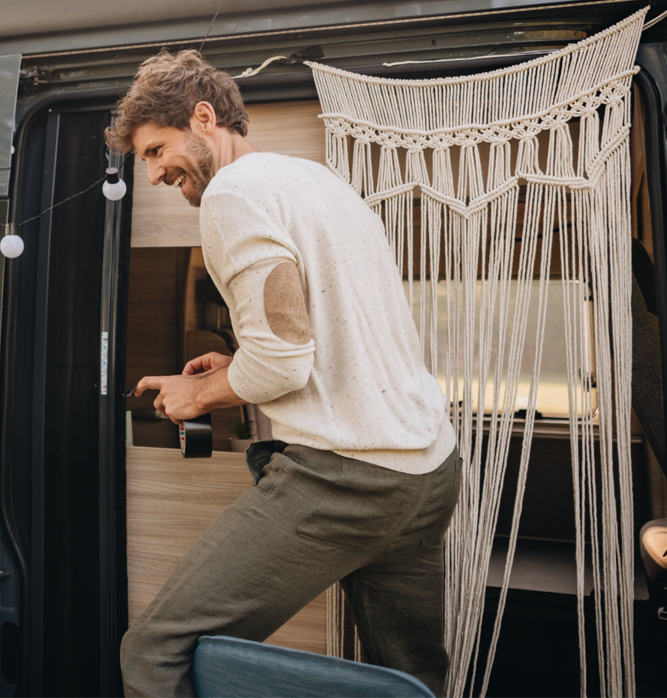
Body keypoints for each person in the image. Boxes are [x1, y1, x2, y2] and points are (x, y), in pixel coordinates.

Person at [113, 51, 459, 696]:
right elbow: (324, 329)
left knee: (155, 654)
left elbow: (281, 358)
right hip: (429, 471)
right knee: (410, 676)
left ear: (205, 117)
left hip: (350, 475)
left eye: (158, 150)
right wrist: (236, 361)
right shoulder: (316, 182)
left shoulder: (232, 195)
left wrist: (198, 393)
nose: (157, 173)